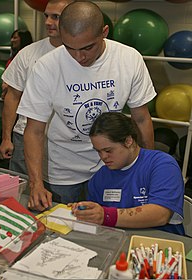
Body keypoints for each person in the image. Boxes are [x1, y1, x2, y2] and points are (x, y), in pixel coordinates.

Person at [17, 1, 157, 211]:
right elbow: (34, 130)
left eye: (87, 48)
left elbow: (141, 118)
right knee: (64, 233)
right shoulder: (46, 66)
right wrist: (36, 183)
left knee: (110, 228)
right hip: (62, 170)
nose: (79, 57)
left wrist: (146, 168)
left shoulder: (129, 59)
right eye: (69, 48)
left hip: (113, 163)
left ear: (104, 32)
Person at [71, 112, 185, 235]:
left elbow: (161, 214)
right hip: (117, 241)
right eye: (99, 151)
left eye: (108, 150)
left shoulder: (162, 164)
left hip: (160, 242)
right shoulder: (100, 177)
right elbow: (97, 221)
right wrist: (85, 212)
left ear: (129, 141)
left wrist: (106, 215)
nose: (103, 157)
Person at [0, 0, 73, 176]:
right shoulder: (28, 53)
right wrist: (6, 138)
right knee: (23, 194)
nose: (48, 22)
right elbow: (12, 96)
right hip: (25, 136)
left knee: (60, 199)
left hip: (66, 143)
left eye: (56, 17)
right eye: (46, 16)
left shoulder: (82, 55)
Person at [1, 29, 33, 100]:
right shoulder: (13, 56)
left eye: (15, 38)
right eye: (12, 38)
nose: (12, 40)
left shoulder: (28, 58)